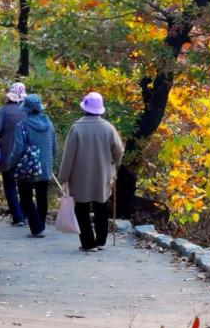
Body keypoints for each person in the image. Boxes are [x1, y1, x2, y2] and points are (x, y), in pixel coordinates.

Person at [58, 91, 124, 251]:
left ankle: (88, 243)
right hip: (103, 175)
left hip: (80, 176)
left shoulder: (76, 129)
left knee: (81, 208)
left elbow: (69, 155)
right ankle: (101, 241)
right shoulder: (109, 128)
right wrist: (115, 165)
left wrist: (64, 176)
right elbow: (119, 150)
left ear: (84, 108)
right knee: (101, 206)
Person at [8, 94, 56, 238]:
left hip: (27, 167)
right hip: (45, 165)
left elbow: (18, 149)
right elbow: (54, 146)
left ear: (27, 109)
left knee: (25, 198)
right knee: (42, 197)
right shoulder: (49, 123)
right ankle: (40, 224)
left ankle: (37, 228)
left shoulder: (22, 126)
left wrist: (11, 164)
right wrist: (49, 159)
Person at [0, 82, 27, 223]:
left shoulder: (3, 110)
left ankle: (17, 217)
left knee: (9, 184)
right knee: (24, 185)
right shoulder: (27, 111)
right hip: (24, 153)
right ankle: (26, 214)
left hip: (7, 152)